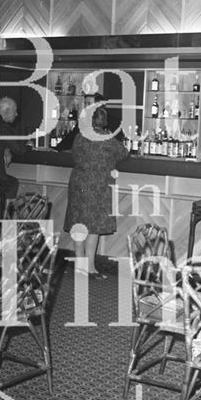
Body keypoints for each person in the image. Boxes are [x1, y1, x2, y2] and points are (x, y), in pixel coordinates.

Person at [63, 104, 129, 278]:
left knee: (79, 224)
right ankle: (90, 266)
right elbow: (124, 153)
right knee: (94, 226)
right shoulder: (108, 138)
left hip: (79, 183)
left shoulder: (80, 136)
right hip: (99, 185)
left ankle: (79, 264)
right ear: (105, 121)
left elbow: (73, 154)